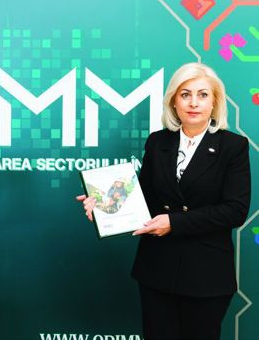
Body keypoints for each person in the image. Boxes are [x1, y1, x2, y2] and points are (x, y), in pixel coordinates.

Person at [77, 63, 251, 340]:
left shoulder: (233, 146)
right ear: (173, 101)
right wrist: (104, 205)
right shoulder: (158, 142)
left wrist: (174, 223)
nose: (193, 103)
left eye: (203, 95)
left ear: (214, 102)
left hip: (206, 275)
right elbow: (143, 199)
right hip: (157, 271)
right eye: (185, 94)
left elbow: (235, 211)